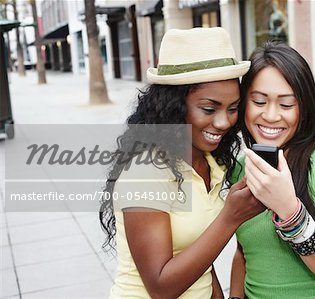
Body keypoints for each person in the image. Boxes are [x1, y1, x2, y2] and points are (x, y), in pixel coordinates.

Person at [99, 27, 265, 299]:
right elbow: (161, 287)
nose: (224, 122)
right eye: (209, 109)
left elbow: (199, 253)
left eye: (233, 108)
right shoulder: (146, 168)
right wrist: (230, 217)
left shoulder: (212, 160)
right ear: (173, 105)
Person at [228, 42, 315, 299]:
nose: (271, 115)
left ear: (304, 108)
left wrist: (289, 211)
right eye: (259, 101)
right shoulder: (243, 167)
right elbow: (244, 253)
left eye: (286, 105)